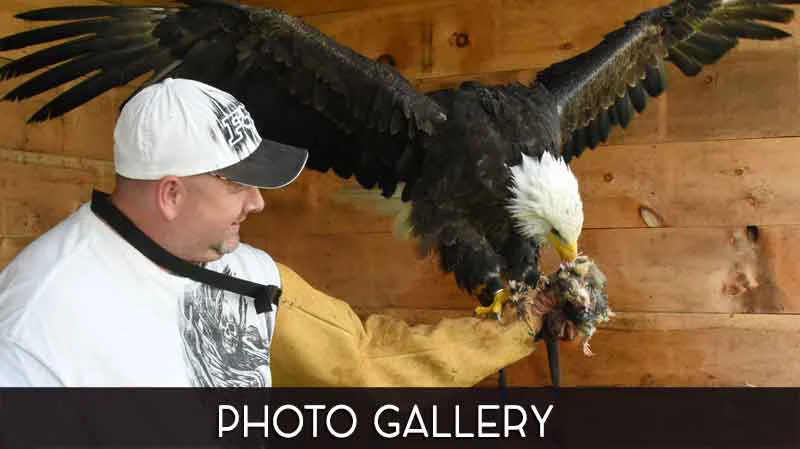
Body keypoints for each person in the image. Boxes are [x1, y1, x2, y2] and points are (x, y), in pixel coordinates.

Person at [0, 78, 536, 387]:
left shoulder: (245, 271)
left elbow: (364, 361)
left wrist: (519, 326)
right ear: (171, 194)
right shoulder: (37, 330)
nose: (258, 202)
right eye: (240, 185)